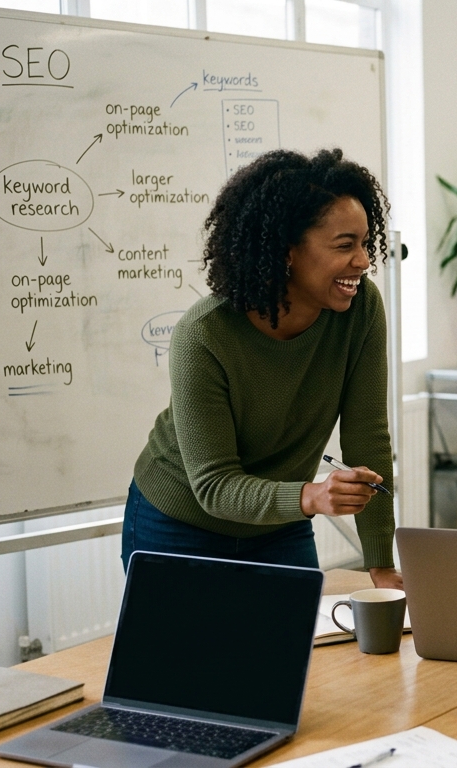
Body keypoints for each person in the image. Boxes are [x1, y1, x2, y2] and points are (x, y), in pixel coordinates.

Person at [124, 148, 401, 587]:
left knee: (286, 654)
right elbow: (214, 484)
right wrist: (310, 495)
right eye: (345, 245)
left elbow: (368, 435)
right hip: (178, 524)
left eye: (366, 242)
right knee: (187, 657)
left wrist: (380, 563)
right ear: (288, 250)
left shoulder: (361, 309)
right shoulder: (205, 334)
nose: (364, 261)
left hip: (279, 524)